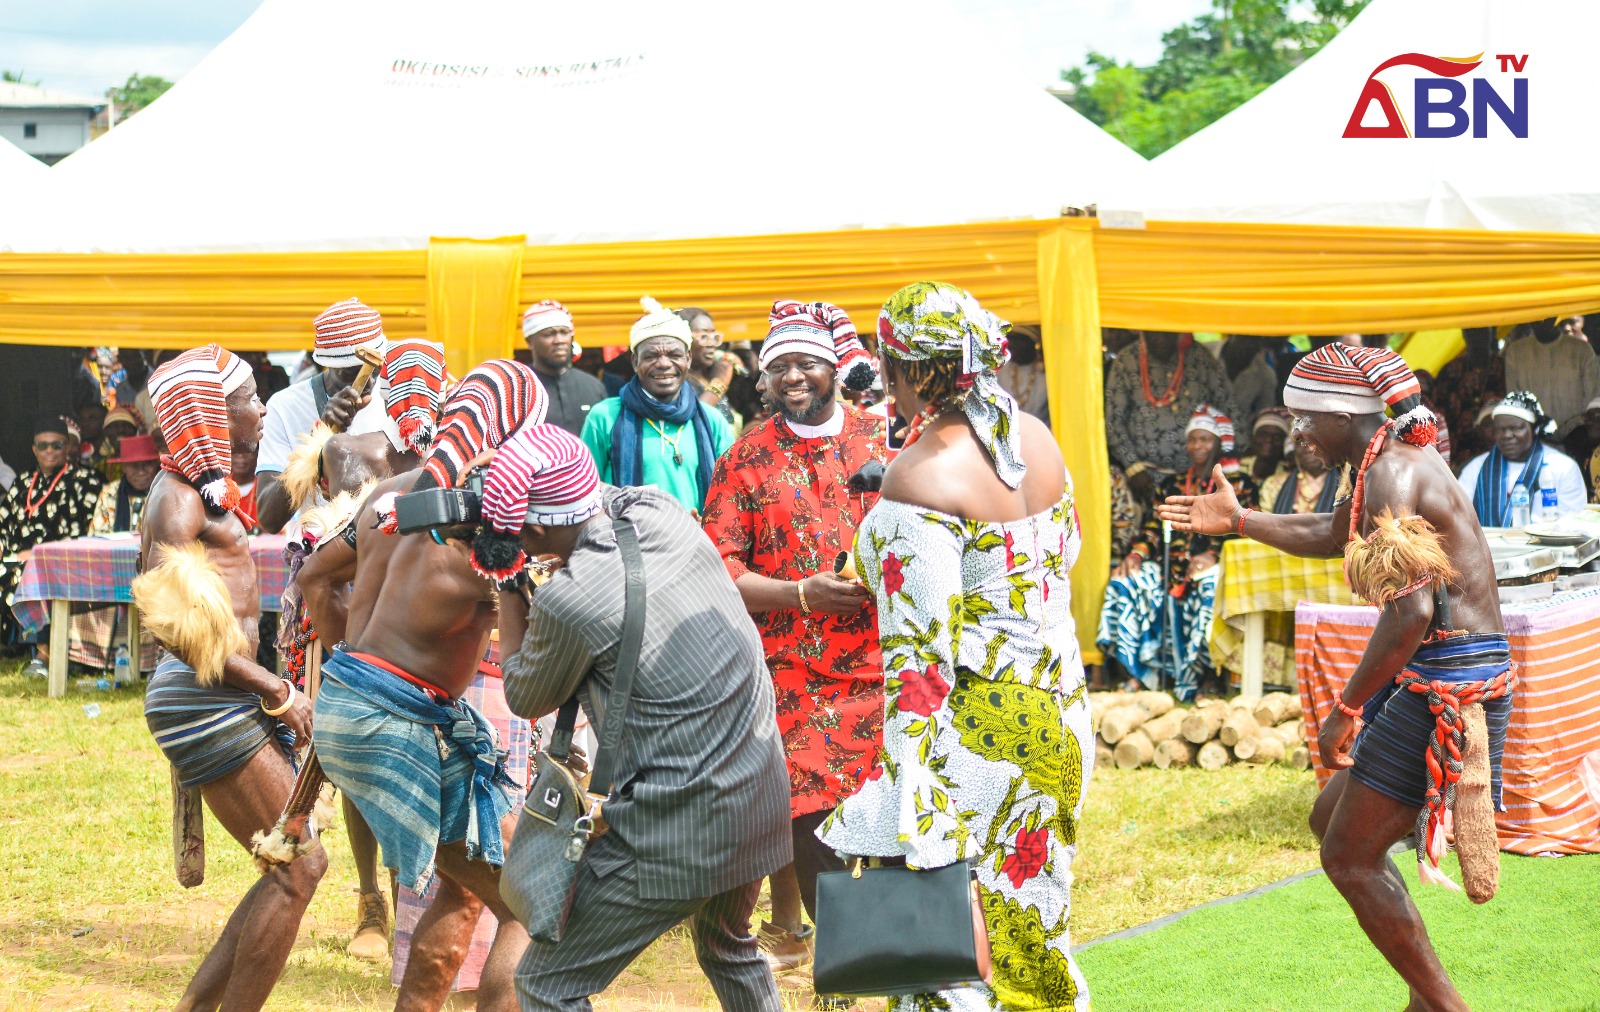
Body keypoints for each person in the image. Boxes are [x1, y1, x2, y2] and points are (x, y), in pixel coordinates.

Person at [1158, 343, 1513, 1011]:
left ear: (1345, 414)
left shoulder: (1392, 470)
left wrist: (1346, 710)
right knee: (1332, 822)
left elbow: (1411, 612)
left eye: (1302, 418)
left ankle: (1442, 1007)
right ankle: (1427, 998)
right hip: (1441, 669)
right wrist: (1239, 521)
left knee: (1348, 856)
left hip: (1449, 678)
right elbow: (1332, 532)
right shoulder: (1383, 463)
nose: (1296, 432)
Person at [815, 282, 1091, 1011]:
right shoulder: (1035, 438)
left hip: (978, 731)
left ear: (901, 370)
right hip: (1060, 714)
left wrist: (909, 789)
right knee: (1031, 922)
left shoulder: (919, 477)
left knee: (947, 946)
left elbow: (920, 657)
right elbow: (1064, 556)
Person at [491, 425, 792, 1012]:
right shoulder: (661, 511)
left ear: (533, 531)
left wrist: (503, 575)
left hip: (681, 824)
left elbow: (524, 695)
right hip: (758, 793)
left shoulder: (568, 598)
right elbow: (597, 496)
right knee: (728, 946)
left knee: (545, 986)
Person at [299, 359, 548, 1012]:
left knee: (465, 888)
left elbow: (313, 576)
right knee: (534, 899)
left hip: (348, 706)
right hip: (396, 720)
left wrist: (352, 668)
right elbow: (537, 652)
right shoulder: (490, 532)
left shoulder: (389, 495)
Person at [699, 299, 886, 987]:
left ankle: (902, 954)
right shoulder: (745, 457)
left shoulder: (882, 442)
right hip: (792, 672)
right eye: (781, 367)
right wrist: (801, 593)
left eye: (808, 363)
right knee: (811, 818)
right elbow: (718, 568)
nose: (794, 377)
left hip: (889, 664)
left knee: (893, 815)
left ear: (833, 369)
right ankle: (843, 970)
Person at [133, 345, 324, 1011]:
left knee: (286, 867)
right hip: (204, 699)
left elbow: (268, 511)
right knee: (298, 868)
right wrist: (276, 689)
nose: (262, 408)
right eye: (250, 398)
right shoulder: (178, 501)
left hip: (217, 695)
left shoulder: (198, 489)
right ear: (213, 411)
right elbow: (177, 632)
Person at [1098, 404, 1255, 698]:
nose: (1197, 446)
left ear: (1218, 443)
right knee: (1124, 582)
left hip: (1217, 569)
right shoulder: (1172, 484)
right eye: (1192, 439)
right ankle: (1139, 674)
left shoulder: (1241, 485)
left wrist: (1213, 557)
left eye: (1204, 439)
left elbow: (1247, 530)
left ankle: (1205, 677)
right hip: (1169, 568)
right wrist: (1136, 554)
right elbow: (1152, 527)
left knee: (1210, 589)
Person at [580, 298, 735, 514]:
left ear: (688, 359)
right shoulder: (605, 416)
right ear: (635, 362)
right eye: (651, 356)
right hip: (626, 535)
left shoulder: (712, 420)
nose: (663, 363)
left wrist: (707, 524)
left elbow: (731, 494)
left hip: (699, 535)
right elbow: (586, 492)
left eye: (674, 355)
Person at [255, 297, 392, 534]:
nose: (368, 382)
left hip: (385, 550)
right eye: (351, 373)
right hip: (316, 551)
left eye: (375, 369)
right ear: (326, 365)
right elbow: (269, 518)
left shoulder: (395, 397)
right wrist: (318, 440)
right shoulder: (284, 406)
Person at [0, 415, 103, 666]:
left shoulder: (85, 480)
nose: (50, 451)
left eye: (57, 445)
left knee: (27, 573)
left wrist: (38, 554)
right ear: (34, 449)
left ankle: (42, 652)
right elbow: (4, 521)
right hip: (15, 558)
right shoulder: (23, 481)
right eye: (43, 445)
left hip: (60, 561)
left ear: (67, 447)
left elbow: (86, 533)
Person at [1104, 331, 1236, 503]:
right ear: (1143, 333)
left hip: (1196, 476)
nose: (1161, 338)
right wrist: (1133, 467)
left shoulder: (1201, 358)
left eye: (1167, 334)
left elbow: (1227, 406)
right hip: (1142, 478)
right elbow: (1113, 421)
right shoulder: (1127, 360)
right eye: (1154, 333)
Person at [68, 433, 162, 674]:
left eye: (146, 464)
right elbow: (96, 536)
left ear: (156, 464)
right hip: (111, 570)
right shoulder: (109, 492)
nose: (141, 471)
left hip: (155, 570)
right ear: (124, 468)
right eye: (133, 466)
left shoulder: (166, 491)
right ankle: (89, 658)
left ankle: (151, 662)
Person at [1456, 391, 1587, 526]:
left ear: (1534, 429)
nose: (1507, 435)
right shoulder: (1476, 468)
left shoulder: (1562, 467)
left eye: (1515, 428)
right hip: (1488, 540)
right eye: (1500, 430)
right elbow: (1459, 516)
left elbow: (1574, 520)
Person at [1502, 316, 1600, 437]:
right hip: (1535, 437)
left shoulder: (1581, 350)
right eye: (1536, 315)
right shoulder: (1515, 352)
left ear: (1555, 316)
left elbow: (1594, 400)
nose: (1541, 320)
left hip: (1576, 436)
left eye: (1545, 315)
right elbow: (1515, 402)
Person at [523, 299, 607, 436]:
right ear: (529, 342)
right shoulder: (519, 390)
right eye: (549, 334)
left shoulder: (594, 387)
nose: (559, 341)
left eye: (564, 332)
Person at [679, 306, 741, 426]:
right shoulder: (678, 382)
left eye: (715, 337)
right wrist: (720, 382)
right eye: (704, 337)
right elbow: (694, 420)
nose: (712, 344)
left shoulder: (708, 377)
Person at [1259, 436, 1340, 515]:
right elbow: (1266, 522)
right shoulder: (1273, 485)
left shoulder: (1344, 486)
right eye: (1300, 442)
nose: (1308, 449)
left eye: (1315, 441)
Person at [996, 324, 1049, 422]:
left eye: (1018, 341)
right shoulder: (1000, 370)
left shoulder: (1047, 375)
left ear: (1033, 345)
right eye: (1009, 341)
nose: (1012, 346)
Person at [1222, 335, 1280, 424]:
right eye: (1243, 337)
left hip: (1238, 427)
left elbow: (1265, 412)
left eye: (1255, 340)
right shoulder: (1207, 353)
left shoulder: (1265, 374)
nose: (1248, 345)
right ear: (1231, 335)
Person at [1562, 395, 1600, 501]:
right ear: (1585, 420)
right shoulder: (1576, 438)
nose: (1596, 423)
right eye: (1592, 418)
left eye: (1599, 418)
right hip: (1580, 501)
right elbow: (1553, 437)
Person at [1239, 408, 1292, 483]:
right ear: (1253, 437)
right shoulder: (1235, 467)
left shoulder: (1289, 476)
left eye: (1277, 436)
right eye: (1263, 434)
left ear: (1284, 443)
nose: (1269, 440)